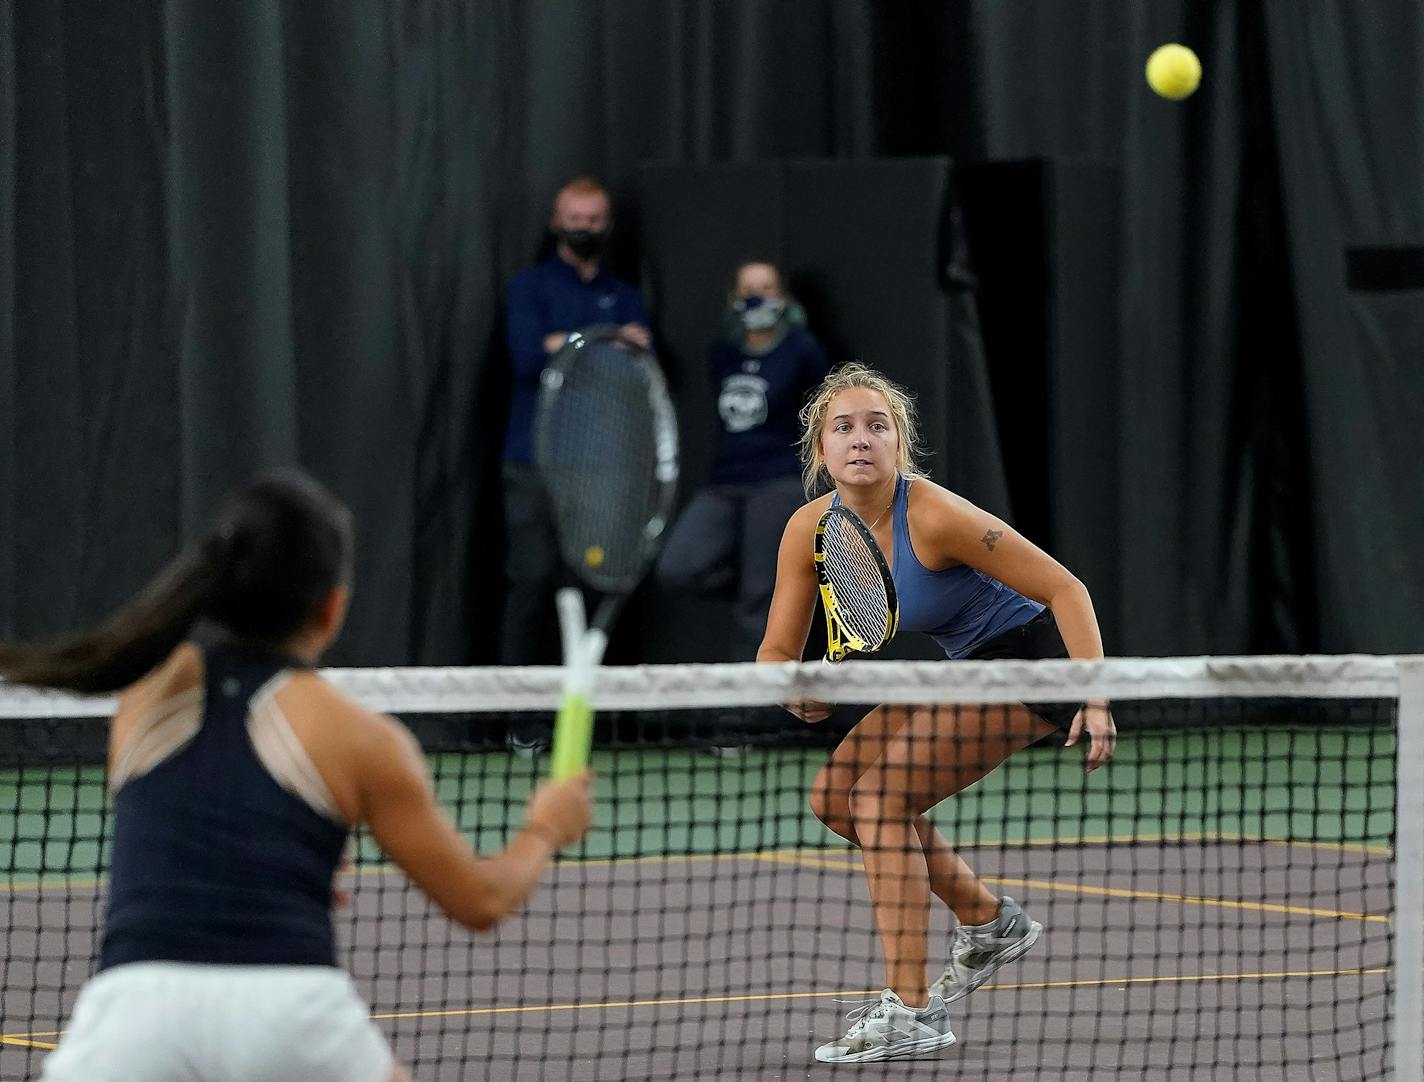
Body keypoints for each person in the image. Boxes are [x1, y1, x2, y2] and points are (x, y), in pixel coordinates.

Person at [0, 470, 594, 1082]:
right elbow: (483, 900)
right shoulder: (361, 737)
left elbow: (182, 827)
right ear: (332, 607)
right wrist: (545, 827)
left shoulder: (141, 697)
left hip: (133, 1019)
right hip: (292, 1018)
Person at [756, 364, 1116, 1065]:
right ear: (820, 450)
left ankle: (912, 1011)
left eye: (877, 425)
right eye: (843, 427)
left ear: (900, 442)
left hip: (1034, 662)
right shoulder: (809, 531)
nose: (861, 439)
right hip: (962, 666)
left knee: (882, 800)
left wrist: (1096, 695)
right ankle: (988, 921)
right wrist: (787, 684)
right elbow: (775, 647)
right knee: (836, 799)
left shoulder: (935, 514)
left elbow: (1067, 590)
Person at [501, 175, 651, 755]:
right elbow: (525, 356)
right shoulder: (531, 288)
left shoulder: (624, 294)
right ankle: (521, 720)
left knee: (592, 585)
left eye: (593, 220)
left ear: (606, 226)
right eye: (574, 218)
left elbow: (639, 369)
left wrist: (569, 343)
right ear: (554, 222)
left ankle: (585, 720)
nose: (583, 229)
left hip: (602, 468)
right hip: (531, 463)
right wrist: (603, 343)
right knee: (532, 584)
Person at [656, 260, 829, 665]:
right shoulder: (724, 351)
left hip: (778, 479)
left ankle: (751, 708)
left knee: (759, 600)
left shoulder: (802, 349)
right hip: (725, 482)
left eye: (766, 288)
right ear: (733, 298)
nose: (756, 297)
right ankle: (771, 581)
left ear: (782, 297)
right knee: (678, 567)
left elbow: (824, 411)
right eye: (747, 288)